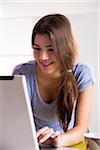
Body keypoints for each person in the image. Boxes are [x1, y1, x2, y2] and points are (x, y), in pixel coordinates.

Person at [13, 13, 95, 148]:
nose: (42, 57)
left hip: (70, 144)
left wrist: (58, 140)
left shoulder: (82, 73)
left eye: (51, 49)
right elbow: (16, 124)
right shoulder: (22, 74)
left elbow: (80, 129)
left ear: (65, 48)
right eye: (37, 49)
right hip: (36, 145)